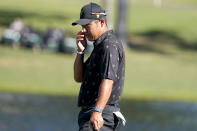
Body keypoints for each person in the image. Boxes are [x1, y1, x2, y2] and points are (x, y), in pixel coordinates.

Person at [73, 3, 126, 131]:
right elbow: (78, 77)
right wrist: (80, 52)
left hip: (101, 115)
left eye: (87, 26)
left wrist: (97, 111)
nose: (83, 30)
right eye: (82, 27)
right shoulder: (99, 46)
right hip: (93, 114)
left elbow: (108, 80)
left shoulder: (109, 46)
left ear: (101, 22)